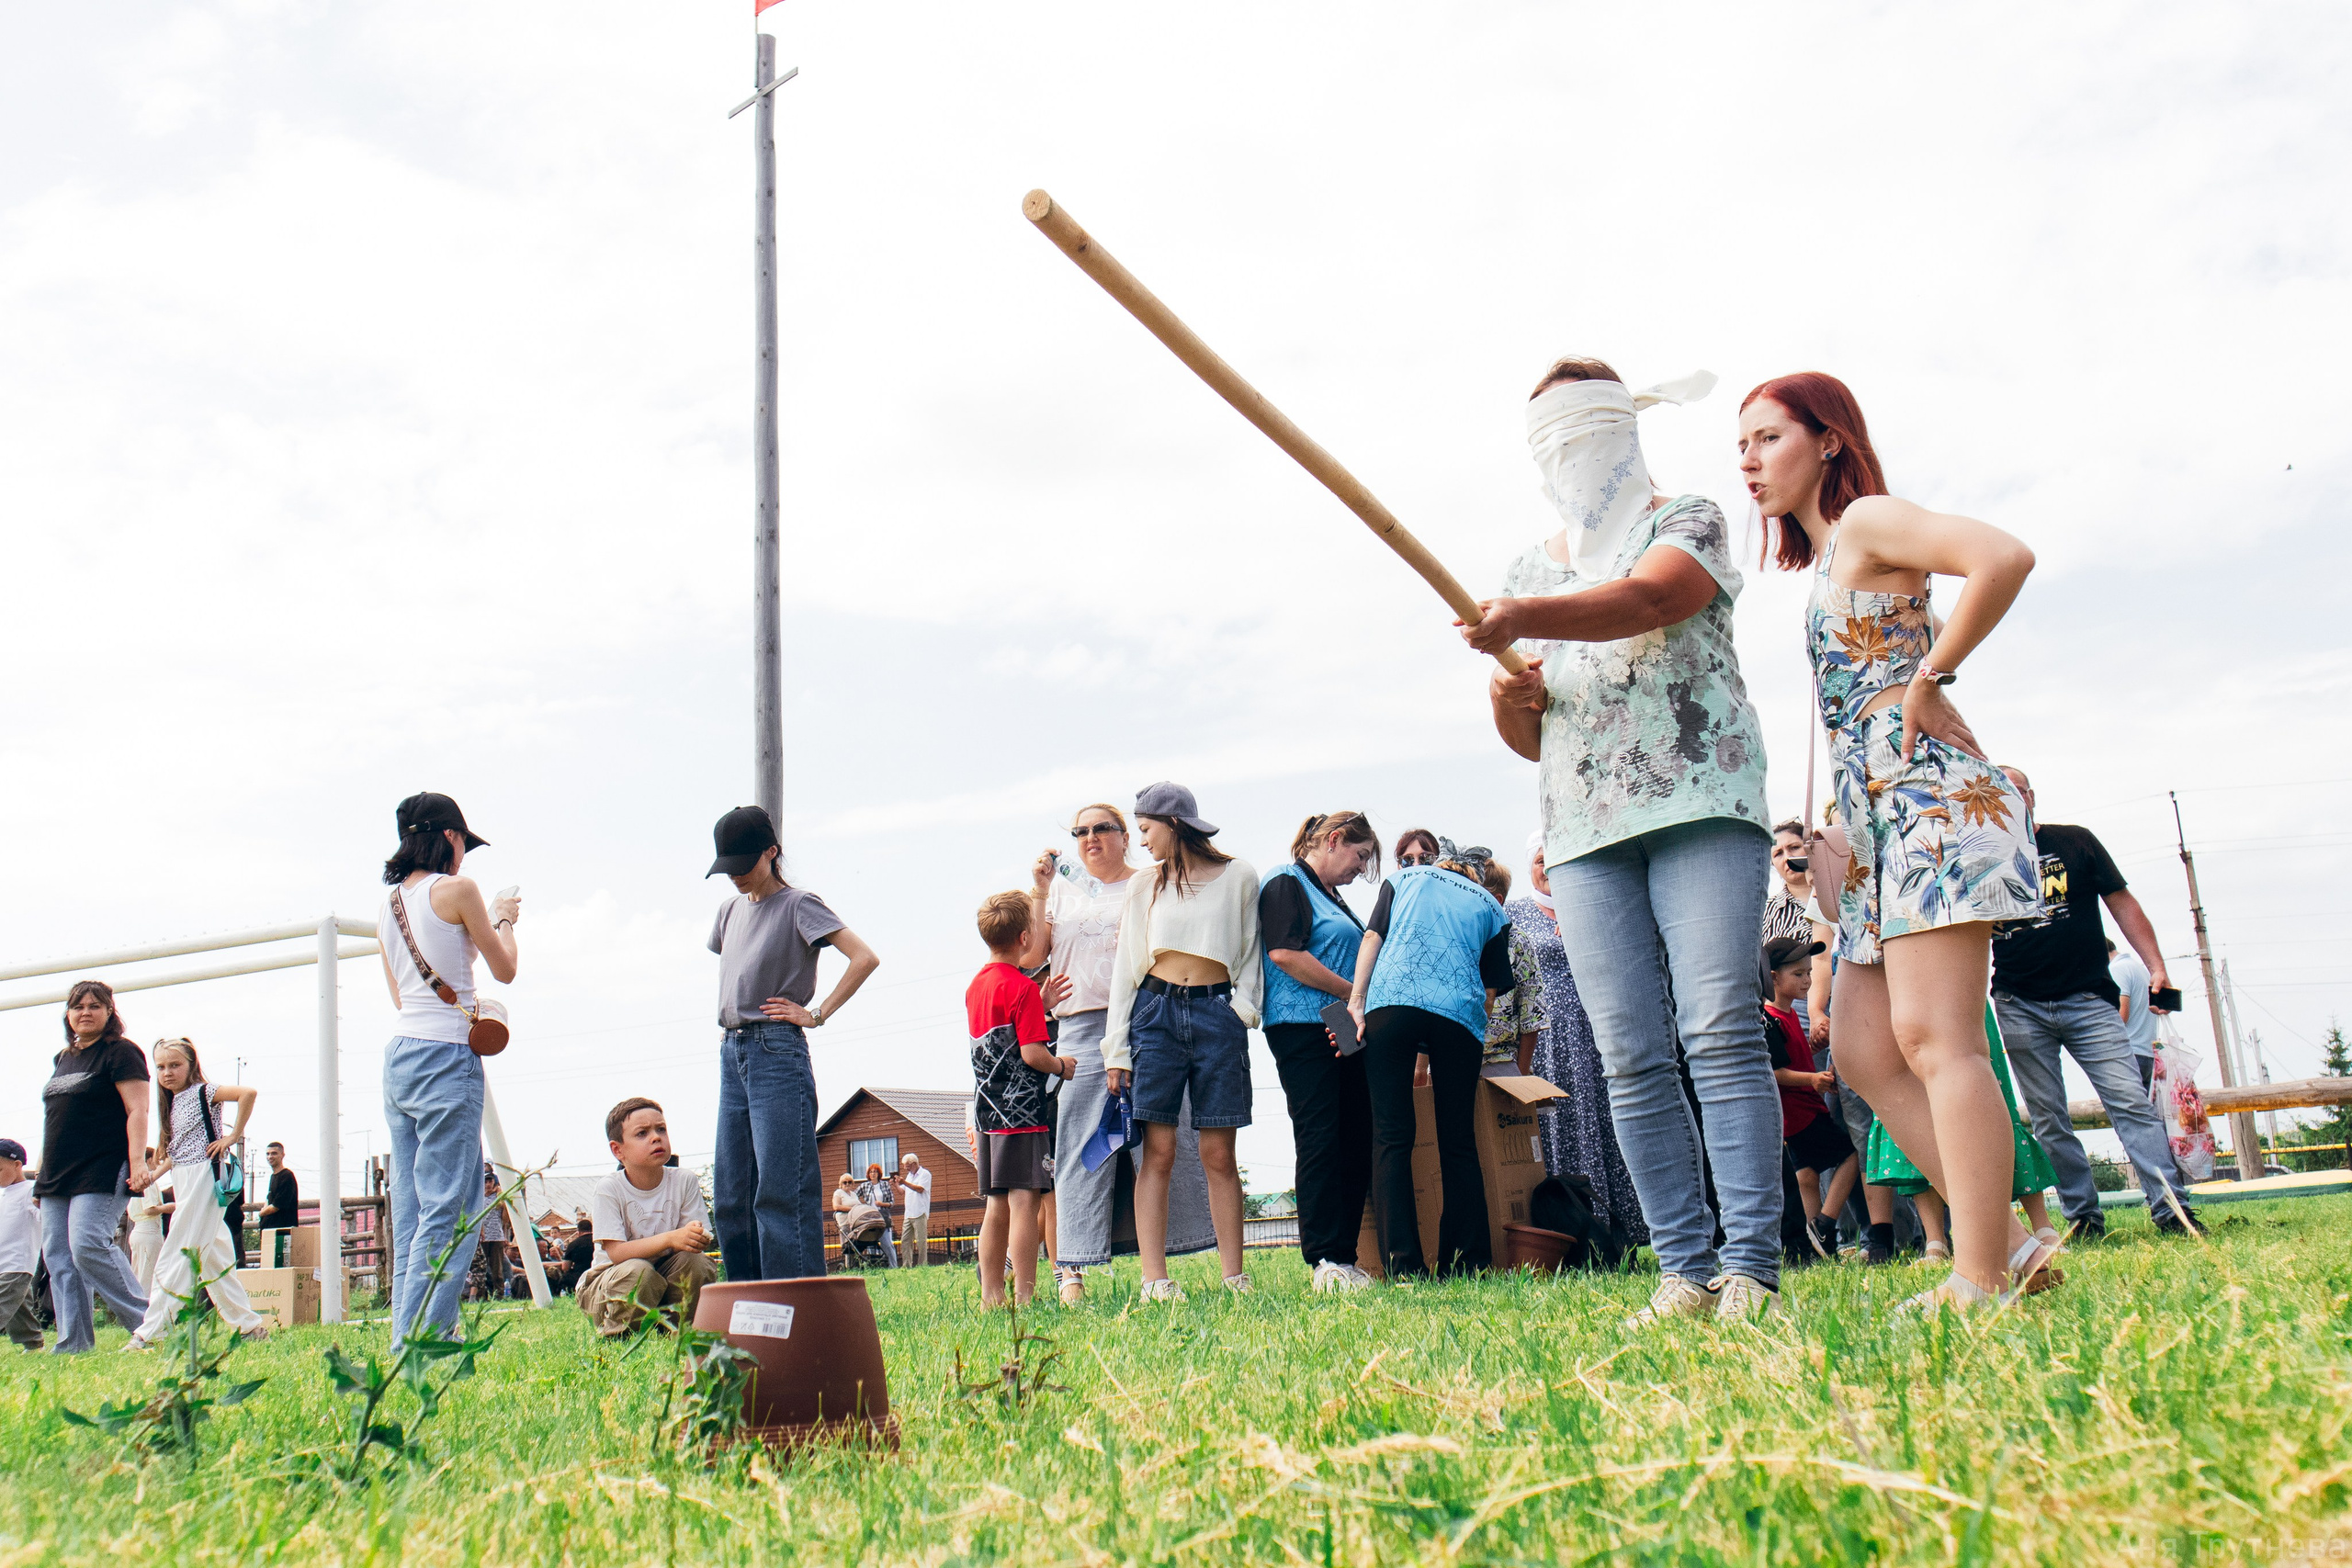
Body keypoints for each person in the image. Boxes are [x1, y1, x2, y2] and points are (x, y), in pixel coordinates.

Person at [1464, 356, 1783, 1325]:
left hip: (1699, 801)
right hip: (1583, 830)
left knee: (1720, 1030)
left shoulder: (1683, 520)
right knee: (1628, 1052)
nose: (1571, 456)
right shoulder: (1530, 567)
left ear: (1623, 429)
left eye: (1582, 432)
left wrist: (1523, 621)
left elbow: (1653, 600)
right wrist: (1505, 693)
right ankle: (1681, 1270)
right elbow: (1532, 737)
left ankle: (1751, 1270)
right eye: (1551, 441)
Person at [1740, 370, 2058, 1312]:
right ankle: (2006, 1242)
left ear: (1828, 439)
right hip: (1877, 820)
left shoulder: (1870, 519)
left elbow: (2003, 555)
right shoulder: (1834, 555)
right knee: (1871, 1056)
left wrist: (1933, 675)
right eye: (1741, 448)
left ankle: (1978, 1273)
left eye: (1767, 438)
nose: (1750, 464)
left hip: (1928, 802)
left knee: (1935, 1039)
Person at [1990, 768, 2199, 1237]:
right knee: (2048, 1117)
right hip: (2019, 1002)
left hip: (2088, 999)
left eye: (2016, 790)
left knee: (2129, 1102)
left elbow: (2123, 904)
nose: (2009, 798)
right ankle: (2083, 1218)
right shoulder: (1980, 856)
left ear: (2032, 797)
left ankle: (2173, 1211)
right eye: (1996, 791)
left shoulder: (2076, 842)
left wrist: (2156, 967)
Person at [1027, 803, 1217, 1303]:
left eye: (1101, 829)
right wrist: (1041, 889)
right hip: (1081, 1029)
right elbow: (1029, 957)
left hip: (1148, 1018)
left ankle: (1163, 1267)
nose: (1090, 838)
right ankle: (1071, 1272)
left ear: (1125, 835)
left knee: (1164, 1137)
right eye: (1080, 831)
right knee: (1079, 1146)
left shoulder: (1151, 881)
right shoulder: (1059, 894)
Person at [706, 805, 881, 1283]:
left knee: (781, 1192)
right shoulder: (728, 911)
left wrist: (816, 1013)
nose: (736, 876)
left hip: (776, 1052)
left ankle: (797, 1308)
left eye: (745, 864)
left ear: (771, 851)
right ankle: (748, 1308)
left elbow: (864, 958)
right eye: (728, 868)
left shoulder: (800, 904)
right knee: (731, 1195)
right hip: (731, 1051)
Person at [1103, 784, 1261, 1301]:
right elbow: (1127, 966)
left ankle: (1234, 1277)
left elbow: (1251, 953)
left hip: (1219, 1014)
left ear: (1172, 822)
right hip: (1156, 1013)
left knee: (1219, 1152)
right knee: (1160, 1151)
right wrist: (1116, 1049)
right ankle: (1155, 1280)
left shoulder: (1239, 875)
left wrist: (1241, 1012)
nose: (1140, 842)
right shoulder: (1143, 885)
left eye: (1145, 830)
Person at [379, 791, 519, 1348]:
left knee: (413, 1209)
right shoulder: (458, 889)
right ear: (450, 838)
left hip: (400, 1055)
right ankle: (423, 1342)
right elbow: (504, 969)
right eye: (465, 844)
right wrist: (506, 921)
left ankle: (406, 1333)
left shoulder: (387, 905)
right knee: (456, 1207)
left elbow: (398, 995)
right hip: (444, 1055)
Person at [1346, 845, 1514, 1278]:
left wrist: (1356, 1003)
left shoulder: (1403, 879)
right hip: (1458, 1014)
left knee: (1391, 1137)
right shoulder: (1489, 907)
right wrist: (1471, 1031)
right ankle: (1467, 1262)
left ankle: (1403, 1266)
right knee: (1458, 1141)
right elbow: (1491, 988)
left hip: (1392, 1004)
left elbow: (1372, 938)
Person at [1259, 811, 1382, 1292]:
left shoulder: (1336, 897)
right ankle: (1324, 1260)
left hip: (1342, 1027)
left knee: (1355, 1135)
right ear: (1333, 840)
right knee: (1321, 1135)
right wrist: (1355, 992)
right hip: (1303, 1027)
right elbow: (1285, 954)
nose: (1361, 867)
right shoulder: (1285, 882)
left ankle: (1347, 1257)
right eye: (1360, 855)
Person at [1505, 831, 1646, 1247]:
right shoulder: (1515, 914)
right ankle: (1567, 1233)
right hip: (1547, 1040)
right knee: (1557, 1128)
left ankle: (1621, 1233)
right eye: (1540, 861)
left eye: (1557, 860)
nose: (1548, 869)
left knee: (1610, 1123)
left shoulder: (1595, 907)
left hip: (1598, 1031)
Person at [126, 1039, 268, 1348]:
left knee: (178, 1249)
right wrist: (151, 1177)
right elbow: (175, 1153)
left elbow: (248, 1093)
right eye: (161, 1067)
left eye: (175, 1065)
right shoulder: (171, 1103)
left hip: (204, 1174)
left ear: (191, 1064)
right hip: (183, 1176)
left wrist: (232, 1136)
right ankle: (251, 1326)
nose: (167, 1072)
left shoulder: (204, 1091)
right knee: (215, 1256)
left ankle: (149, 1332)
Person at [968, 892, 1073, 1308]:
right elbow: (1031, 1054)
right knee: (1025, 1202)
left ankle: (991, 1294)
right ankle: (1025, 1296)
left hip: (987, 1113)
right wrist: (1062, 1064)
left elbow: (1001, 1037)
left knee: (996, 1204)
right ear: (1026, 937)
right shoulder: (1023, 988)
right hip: (1023, 1115)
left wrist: (1040, 1004)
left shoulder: (977, 985)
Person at [38, 980, 152, 1353]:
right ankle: (73, 1344)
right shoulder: (63, 1058)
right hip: (58, 1171)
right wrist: (41, 1174)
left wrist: (137, 1164)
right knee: (59, 1256)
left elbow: (138, 1110)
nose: (85, 1012)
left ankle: (150, 1326)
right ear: (68, 1014)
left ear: (109, 1012)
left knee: (87, 1244)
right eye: (78, 1006)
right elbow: (54, 1120)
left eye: (94, 1006)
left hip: (103, 1165)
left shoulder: (121, 1052)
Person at [575, 1098, 717, 1337]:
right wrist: (672, 1238)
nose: (656, 1137)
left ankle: (678, 1331)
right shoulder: (609, 1188)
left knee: (698, 1263)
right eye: (642, 1133)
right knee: (638, 1272)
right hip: (607, 1287)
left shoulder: (684, 1180)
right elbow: (616, 1253)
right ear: (617, 1150)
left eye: (661, 1129)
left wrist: (695, 1237)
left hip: (660, 1278)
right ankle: (619, 1336)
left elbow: (692, 1245)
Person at [1762, 940, 1859, 1259]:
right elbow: (1775, 1072)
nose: (1807, 981)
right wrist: (1814, 1079)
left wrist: (1813, 1051)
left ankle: (1815, 1246)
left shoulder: (1786, 1015)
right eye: (1799, 974)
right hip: (1802, 1112)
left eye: (1809, 973)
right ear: (1773, 977)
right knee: (1850, 1157)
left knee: (1806, 1176)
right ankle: (1825, 1223)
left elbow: (1792, 1057)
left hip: (1797, 1114)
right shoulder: (1770, 1019)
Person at [1478, 860, 1547, 1069]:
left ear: (1496, 901)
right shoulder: (1457, 937)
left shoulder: (1517, 942)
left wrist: (1522, 1072)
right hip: (1453, 1059)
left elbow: (1531, 1015)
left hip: (1502, 1061)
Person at [0, 1139, 45, 1350]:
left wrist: (42, 1205)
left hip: (17, 1263)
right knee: (19, 1309)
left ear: (17, 1165)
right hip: (4, 1263)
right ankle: (33, 1343)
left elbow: (45, 1218)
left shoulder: (31, 1190)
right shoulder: (5, 1194)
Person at [2108, 939, 2161, 1092]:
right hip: (2148, 1053)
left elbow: (2120, 1015)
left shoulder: (2116, 970)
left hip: (2130, 1055)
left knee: (2128, 1113)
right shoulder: (2137, 968)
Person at [126, 1152, 168, 1292]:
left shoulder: (135, 1180)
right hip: (148, 1231)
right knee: (148, 1277)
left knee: (139, 1275)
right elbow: (149, 1209)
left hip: (139, 1231)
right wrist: (171, 1207)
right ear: (149, 1160)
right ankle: (144, 1310)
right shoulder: (148, 1181)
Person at [472, 1166, 514, 1301]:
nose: (488, 1184)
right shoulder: (478, 1199)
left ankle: (499, 1295)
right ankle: (481, 1296)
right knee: (481, 1268)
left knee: (497, 1270)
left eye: (490, 1181)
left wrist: (504, 1202)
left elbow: (506, 1220)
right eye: (485, 1182)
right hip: (482, 1238)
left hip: (497, 1237)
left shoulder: (498, 1199)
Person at [894, 1153, 932, 1267]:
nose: (906, 1168)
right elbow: (902, 1192)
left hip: (920, 1212)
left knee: (921, 1241)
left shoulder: (925, 1174)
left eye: (908, 1166)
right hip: (909, 1213)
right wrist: (896, 1185)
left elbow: (920, 1189)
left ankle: (922, 1264)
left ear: (914, 1164)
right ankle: (906, 1265)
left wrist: (904, 1182)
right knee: (905, 1241)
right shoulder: (909, 1176)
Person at [255, 1143, 299, 1235]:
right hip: (270, 1229)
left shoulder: (287, 1176)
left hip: (283, 1230)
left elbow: (277, 1205)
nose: (270, 1157)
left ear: (282, 1155)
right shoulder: (273, 1176)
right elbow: (269, 1200)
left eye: (274, 1153)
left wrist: (261, 1213)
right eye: (268, 1154)